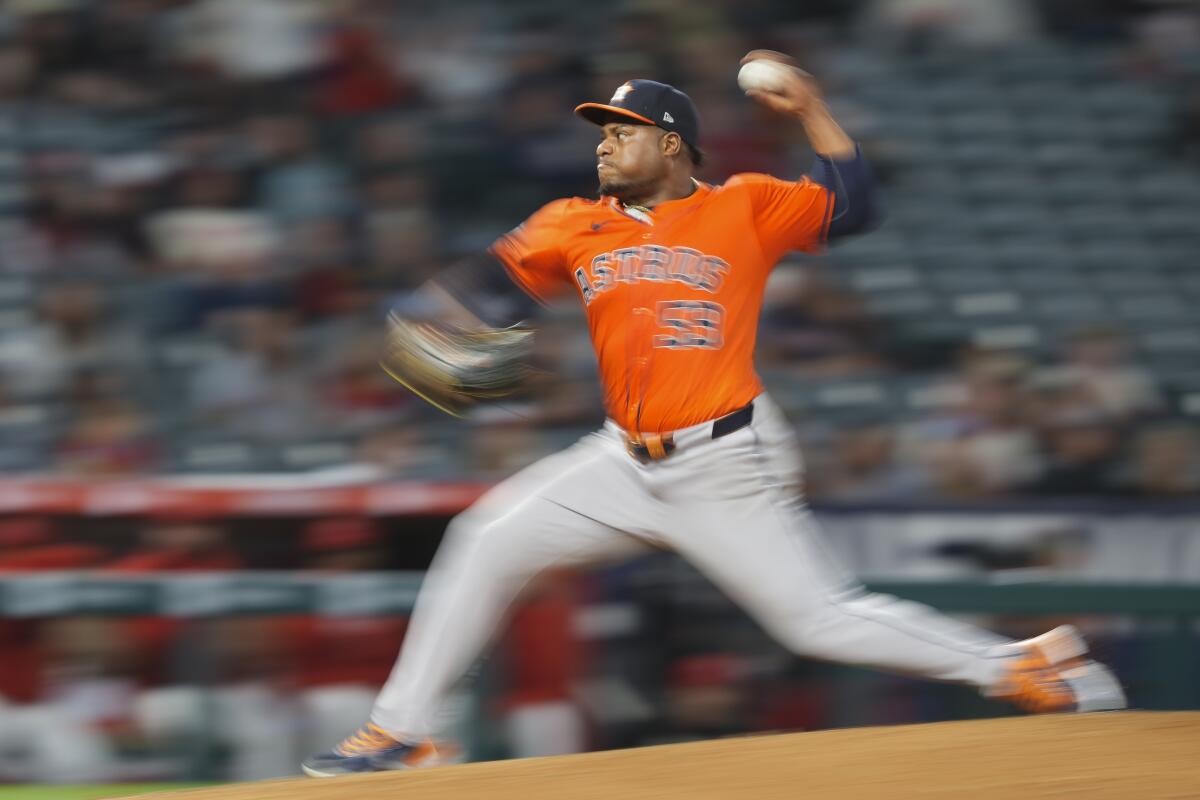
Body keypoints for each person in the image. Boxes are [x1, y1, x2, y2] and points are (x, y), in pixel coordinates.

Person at [302, 51, 1125, 777]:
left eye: (622, 129)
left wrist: (809, 108)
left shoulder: (746, 205)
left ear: (670, 144)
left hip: (726, 457)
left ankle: (1024, 664)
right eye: (601, 129)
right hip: (621, 461)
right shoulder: (572, 223)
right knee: (483, 540)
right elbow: (484, 281)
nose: (602, 142)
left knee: (815, 620)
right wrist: (418, 313)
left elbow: (857, 206)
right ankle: (407, 732)